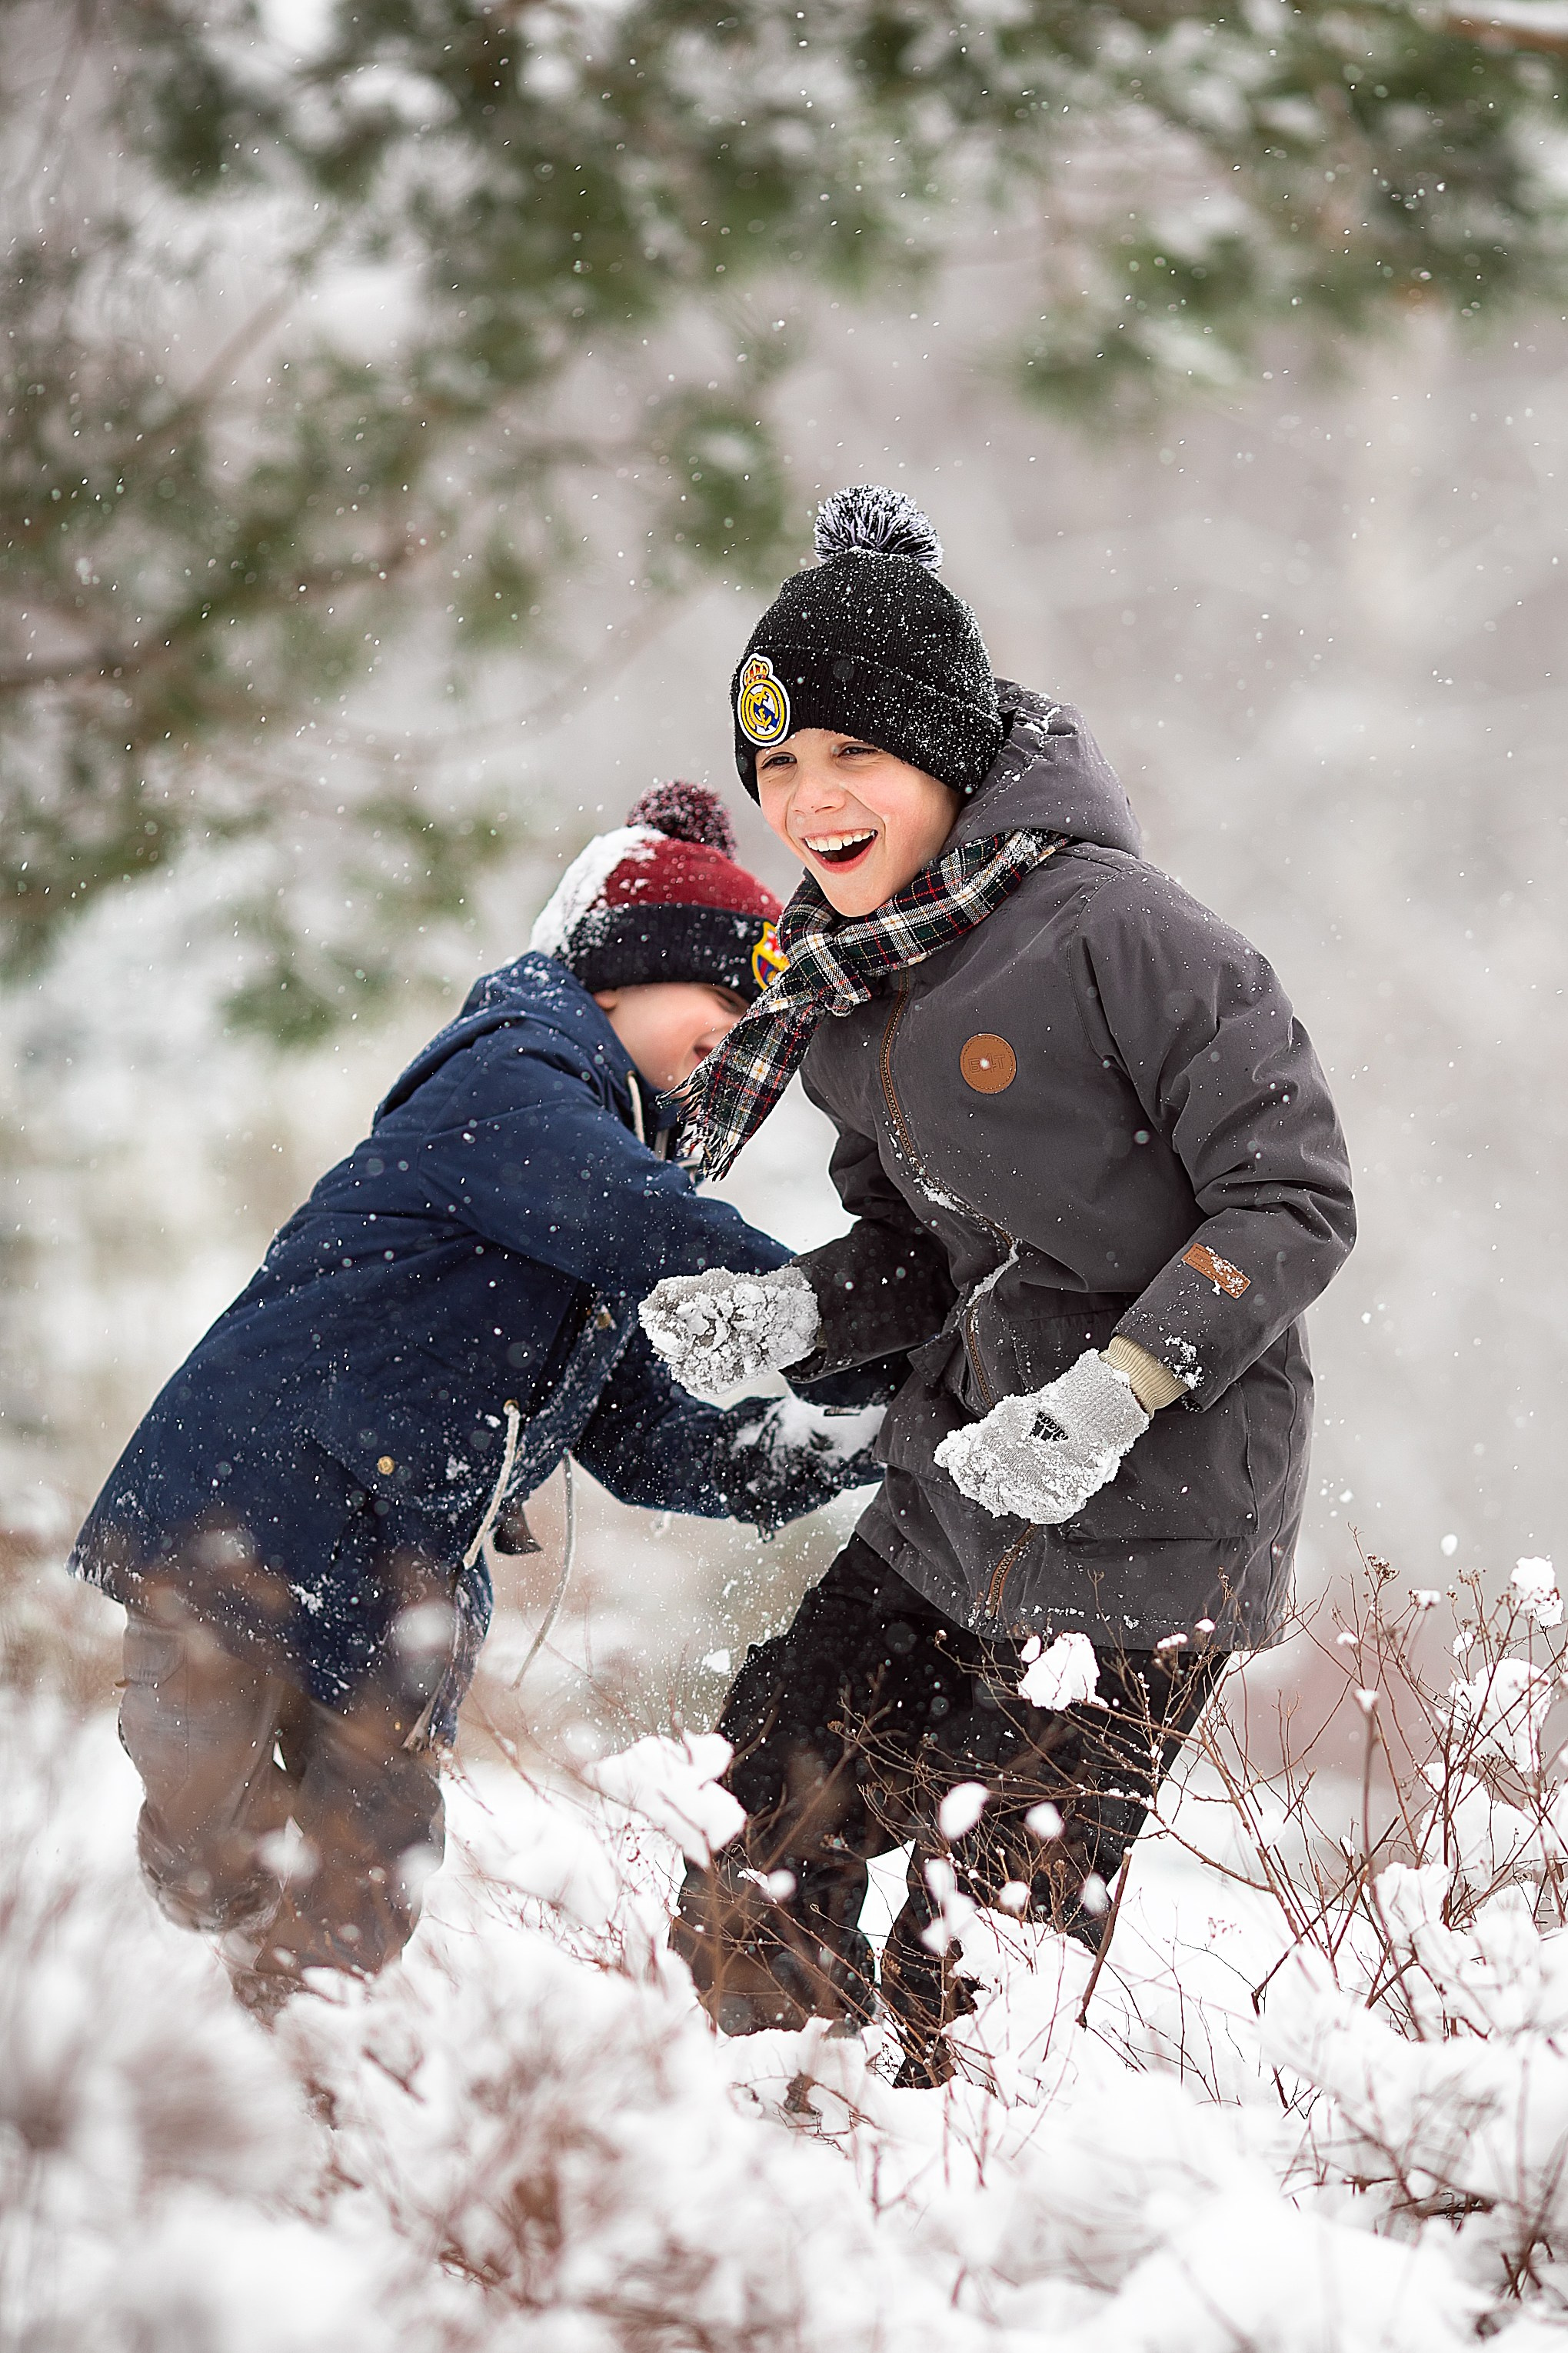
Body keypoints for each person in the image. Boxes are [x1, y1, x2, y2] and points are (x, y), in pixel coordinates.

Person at [641, 487, 1356, 2084]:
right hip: (951, 1494)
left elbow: (1293, 1195)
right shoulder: (849, 983)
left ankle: (966, 2241)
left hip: (1153, 1525)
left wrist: (1116, 1395)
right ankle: (774, 2178)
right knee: (755, 1821)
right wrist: (798, 1315)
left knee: (978, 1949)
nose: (809, 803)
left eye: (852, 758)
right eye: (778, 767)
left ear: (949, 758)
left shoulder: (1128, 935)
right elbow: (917, 1255)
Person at [72, 783, 884, 2014]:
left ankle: (309, 2062)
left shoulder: (603, 1178)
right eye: (717, 1000)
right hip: (252, 1514)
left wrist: (872, 1427)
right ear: (620, 975)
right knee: (207, 1824)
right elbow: (645, 1220)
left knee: (369, 1872)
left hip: (404, 1577)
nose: (731, 1034)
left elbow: (659, 1443)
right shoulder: (510, 1076)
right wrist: (846, 1312)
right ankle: (183, 1989)